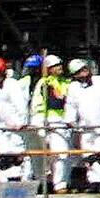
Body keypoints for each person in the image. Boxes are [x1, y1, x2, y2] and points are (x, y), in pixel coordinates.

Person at [65, 59, 100, 192]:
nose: (83, 72)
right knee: (88, 155)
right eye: (79, 71)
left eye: (84, 69)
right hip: (85, 125)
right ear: (75, 75)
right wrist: (71, 119)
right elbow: (71, 105)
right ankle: (93, 182)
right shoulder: (73, 87)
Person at [0, 56, 31, 183]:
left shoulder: (12, 85)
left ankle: (19, 181)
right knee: (3, 155)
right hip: (2, 127)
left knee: (17, 154)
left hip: (16, 127)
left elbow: (21, 104)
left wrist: (21, 122)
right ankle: (5, 183)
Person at [30, 54, 71, 191]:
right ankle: (43, 183)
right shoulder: (45, 83)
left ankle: (60, 184)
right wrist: (66, 99)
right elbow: (54, 102)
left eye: (60, 65)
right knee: (43, 155)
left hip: (60, 121)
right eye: (55, 66)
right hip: (44, 121)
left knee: (61, 153)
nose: (59, 68)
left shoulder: (65, 82)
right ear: (49, 69)